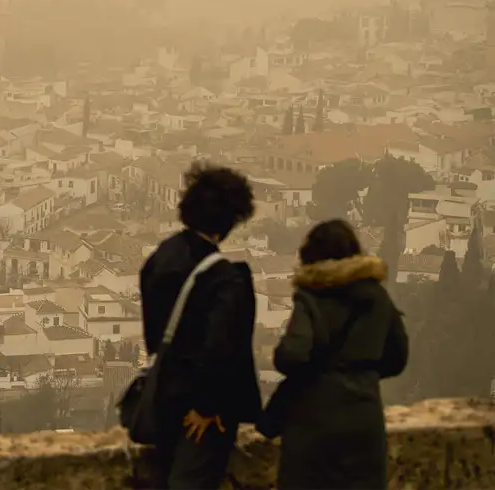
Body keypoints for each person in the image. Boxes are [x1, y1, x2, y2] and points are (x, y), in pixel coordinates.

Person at [139, 162, 261, 489]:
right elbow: (219, 346)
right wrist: (208, 406)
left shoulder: (161, 257)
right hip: (199, 412)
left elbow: (156, 333)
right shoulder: (223, 278)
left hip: (163, 396)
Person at [271, 219, 408, 490]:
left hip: (313, 419)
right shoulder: (378, 297)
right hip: (363, 416)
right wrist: (363, 372)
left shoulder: (311, 297)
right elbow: (397, 357)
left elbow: (293, 355)